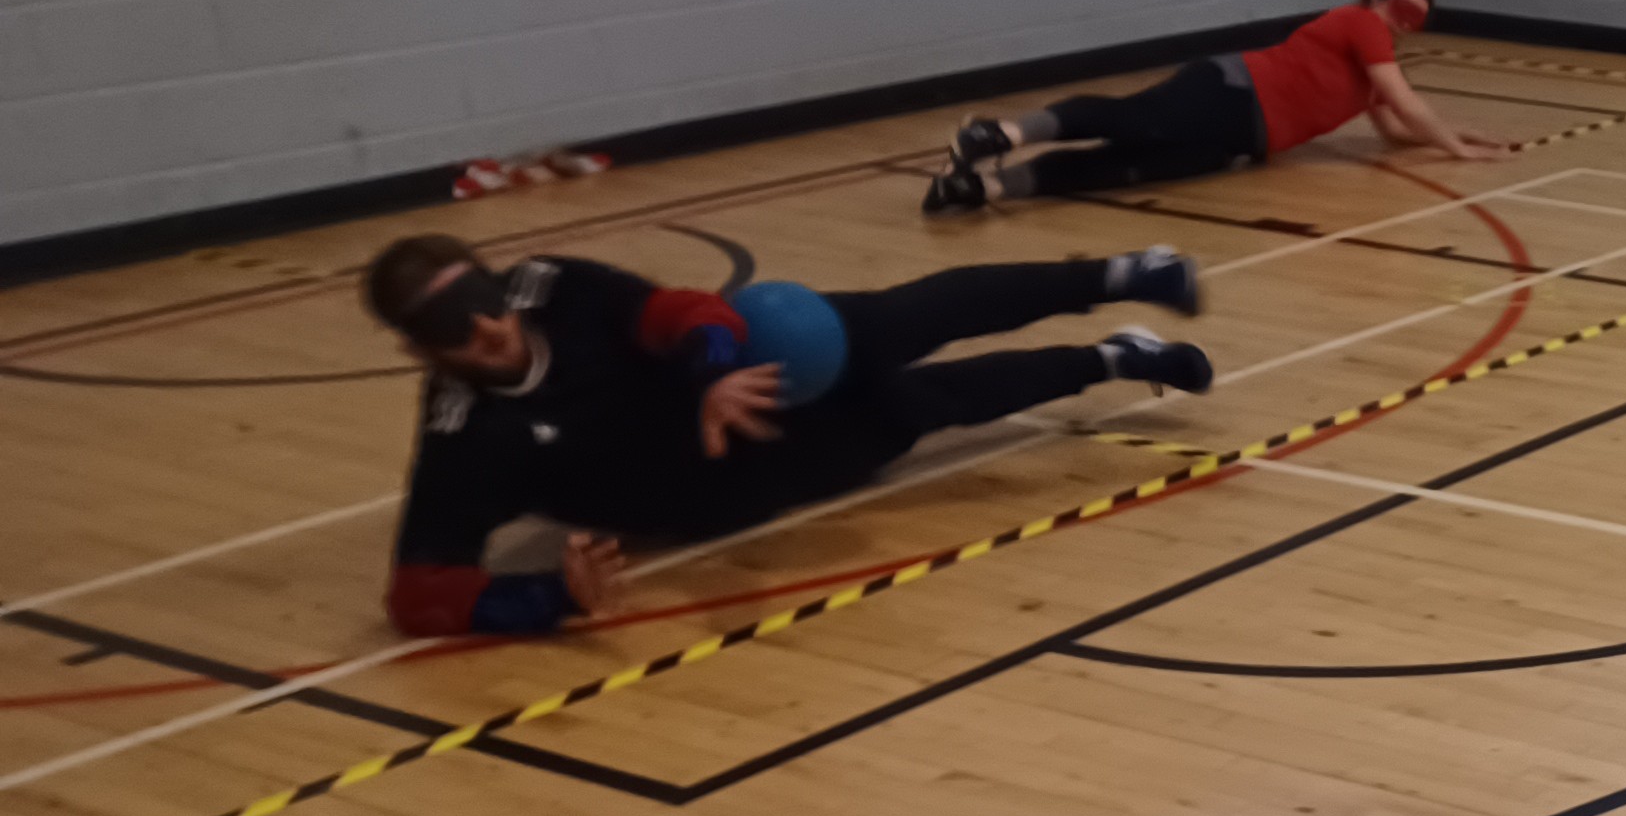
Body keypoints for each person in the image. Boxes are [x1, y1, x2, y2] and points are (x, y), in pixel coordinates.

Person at [364, 235, 1213, 637]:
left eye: (483, 300)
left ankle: (1120, 271)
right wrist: (550, 597)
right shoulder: (469, 436)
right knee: (924, 403)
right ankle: (1111, 359)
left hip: (759, 370)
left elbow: (679, 310)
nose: (486, 328)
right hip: (731, 481)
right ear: (416, 348)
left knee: (907, 315)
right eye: (450, 325)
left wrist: (712, 371)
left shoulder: (556, 287)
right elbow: (417, 591)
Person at [922, 0, 1511, 214]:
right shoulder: (1360, 23)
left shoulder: (1375, 64)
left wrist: (1460, 135)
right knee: (1133, 120)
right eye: (1399, 11)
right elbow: (1405, 102)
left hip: (1243, 141)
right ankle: (996, 134)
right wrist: (1456, 151)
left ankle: (982, 187)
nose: (1401, 26)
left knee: (1127, 168)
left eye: (1413, 21)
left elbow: (1395, 127)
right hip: (1233, 90)